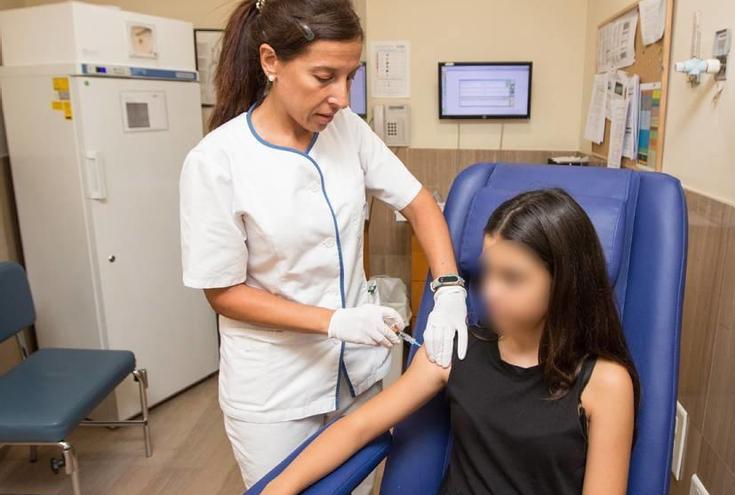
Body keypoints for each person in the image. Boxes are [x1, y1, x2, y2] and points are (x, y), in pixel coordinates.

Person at [178, 0, 468, 489]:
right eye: (324, 77)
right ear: (270, 61)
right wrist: (334, 322)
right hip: (276, 389)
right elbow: (222, 292)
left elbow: (420, 203)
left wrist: (450, 290)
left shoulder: (347, 131)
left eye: (350, 77)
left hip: (358, 372)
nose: (342, 98)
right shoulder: (217, 161)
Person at [259, 188, 641, 495]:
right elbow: (357, 427)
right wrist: (281, 487)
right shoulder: (456, 350)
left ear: (564, 282)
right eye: (487, 271)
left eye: (512, 277)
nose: (489, 290)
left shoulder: (604, 383)